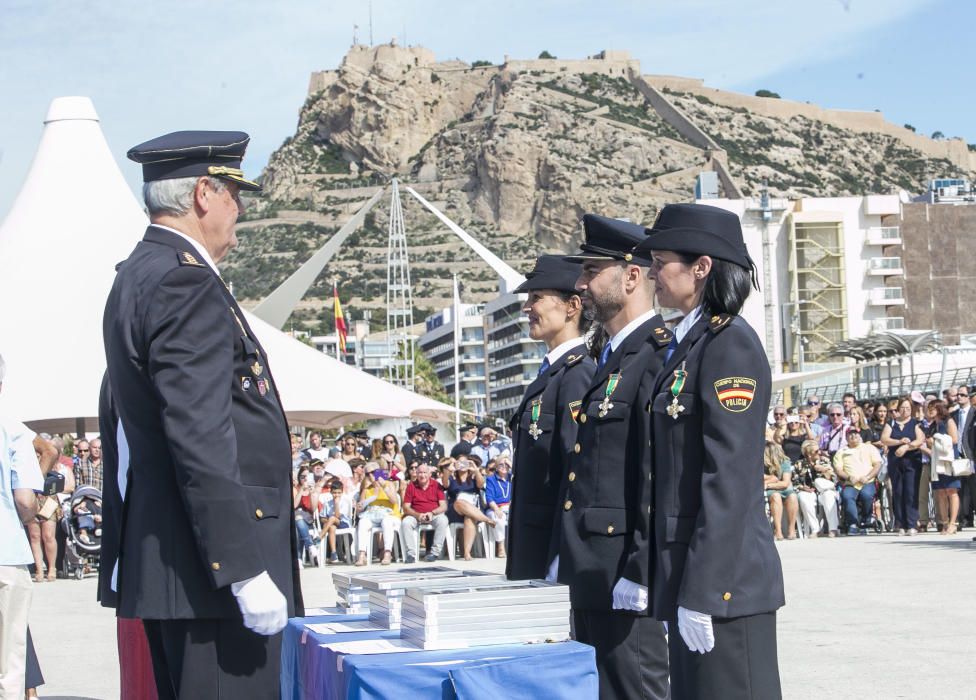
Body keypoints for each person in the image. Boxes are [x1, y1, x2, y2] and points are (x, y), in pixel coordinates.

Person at [100, 131, 302, 698]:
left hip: (188, 569)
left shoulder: (142, 274)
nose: (239, 210)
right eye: (235, 194)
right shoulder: (183, 282)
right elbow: (200, 436)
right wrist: (242, 570)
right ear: (204, 194)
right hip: (210, 579)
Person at [639, 203, 784, 699]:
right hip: (690, 577)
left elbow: (729, 478)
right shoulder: (689, 344)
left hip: (725, 587)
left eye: (661, 261)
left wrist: (705, 592)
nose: (652, 273)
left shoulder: (729, 345)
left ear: (701, 267)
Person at [557, 214, 672, 700]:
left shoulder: (657, 353)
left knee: (635, 689)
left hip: (625, 568)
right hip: (593, 567)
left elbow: (658, 473)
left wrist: (641, 567)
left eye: (591, 270)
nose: (581, 284)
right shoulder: (611, 357)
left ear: (630, 276)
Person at [506, 255, 595, 580]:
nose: (527, 308)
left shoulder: (578, 375)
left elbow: (576, 475)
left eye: (536, 298)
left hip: (550, 553)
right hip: (532, 547)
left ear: (572, 306)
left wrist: (562, 556)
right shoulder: (552, 375)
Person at [1, 352, 45, 697]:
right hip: (5, 551)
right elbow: (24, 500)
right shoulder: (12, 428)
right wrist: (29, 516)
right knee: (9, 664)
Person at [881, 397, 925, 535]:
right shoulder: (891, 423)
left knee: (911, 491)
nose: (905, 410)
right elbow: (884, 439)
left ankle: (912, 523)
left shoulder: (915, 423)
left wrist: (906, 447)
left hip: (912, 460)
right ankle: (900, 523)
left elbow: (919, 440)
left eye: (908, 408)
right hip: (895, 461)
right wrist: (898, 441)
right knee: (898, 491)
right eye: (902, 408)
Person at [920, 400, 961, 534]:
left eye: (933, 408)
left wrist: (937, 439)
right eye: (929, 408)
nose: (930, 410)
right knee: (940, 492)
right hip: (936, 462)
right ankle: (944, 521)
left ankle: (953, 523)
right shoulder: (933, 425)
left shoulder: (948, 421)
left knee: (952, 490)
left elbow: (954, 439)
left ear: (940, 408)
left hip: (948, 460)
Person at [833, 429, 882, 535]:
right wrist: (848, 477)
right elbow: (838, 470)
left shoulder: (869, 448)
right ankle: (853, 524)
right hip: (851, 483)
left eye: (856, 434)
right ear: (846, 438)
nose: (853, 436)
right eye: (850, 434)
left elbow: (877, 465)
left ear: (860, 436)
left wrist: (868, 477)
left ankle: (866, 520)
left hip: (867, 481)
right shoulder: (841, 452)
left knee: (866, 495)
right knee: (847, 496)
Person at [354, 462, 402, 566]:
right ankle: (362, 555)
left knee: (387, 521)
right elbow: (360, 510)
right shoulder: (367, 488)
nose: (371, 475)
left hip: (391, 515)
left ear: (379, 472)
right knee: (362, 522)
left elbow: (394, 501)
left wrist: (383, 486)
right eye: (368, 474)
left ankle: (387, 553)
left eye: (374, 472)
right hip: (372, 516)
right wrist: (360, 506)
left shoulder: (389, 484)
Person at [400, 464, 449, 563]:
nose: (422, 475)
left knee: (443, 520)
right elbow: (406, 507)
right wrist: (417, 515)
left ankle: (434, 553)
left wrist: (432, 513)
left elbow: (443, 506)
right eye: (420, 473)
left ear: (430, 474)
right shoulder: (411, 486)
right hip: (416, 515)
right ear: (416, 474)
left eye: (425, 472)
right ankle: (411, 554)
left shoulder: (436, 485)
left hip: (433, 514)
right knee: (406, 522)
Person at [792, 440, 839, 537]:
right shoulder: (799, 464)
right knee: (804, 498)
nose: (820, 452)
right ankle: (815, 529)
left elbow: (834, 480)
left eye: (819, 450)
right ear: (808, 454)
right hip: (808, 490)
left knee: (829, 496)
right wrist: (803, 487)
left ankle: (833, 529)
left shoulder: (824, 461)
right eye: (816, 451)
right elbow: (795, 481)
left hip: (824, 490)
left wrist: (824, 471)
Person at [764, 442, 798, 540]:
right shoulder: (762, 464)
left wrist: (768, 484)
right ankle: (778, 531)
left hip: (776, 487)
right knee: (776, 496)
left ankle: (791, 529)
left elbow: (785, 483)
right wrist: (773, 479)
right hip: (771, 491)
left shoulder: (784, 462)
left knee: (792, 496)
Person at [483, 457, 513, 558]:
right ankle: (500, 546)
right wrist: (496, 509)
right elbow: (489, 498)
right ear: (496, 467)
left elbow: (523, 477)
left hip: (509, 507)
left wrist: (511, 465)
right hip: (494, 507)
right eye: (501, 464)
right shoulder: (491, 479)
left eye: (507, 465)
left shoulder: (511, 477)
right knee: (499, 517)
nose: (504, 467)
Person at [292, 463, 319, 567]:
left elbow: (313, 509)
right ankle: (310, 546)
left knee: (298, 521)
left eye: (307, 477)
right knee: (298, 524)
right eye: (302, 477)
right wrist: (301, 490)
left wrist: (312, 493)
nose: (304, 479)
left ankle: (298, 558)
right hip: (297, 518)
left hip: (309, 519)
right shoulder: (295, 489)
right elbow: (294, 505)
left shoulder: (314, 490)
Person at [320, 479, 353, 564]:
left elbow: (337, 516)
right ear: (331, 492)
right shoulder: (327, 503)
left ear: (342, 492)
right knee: (331, 527)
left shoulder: (344, 502)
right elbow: (322, 518)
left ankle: (320, 536)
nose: (336, 495)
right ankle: (334, 554)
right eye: (334, 493)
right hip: (333, 524)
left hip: (343, 523)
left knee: (332, 518)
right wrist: (328, 521)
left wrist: (337, 504)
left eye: (339, 493)